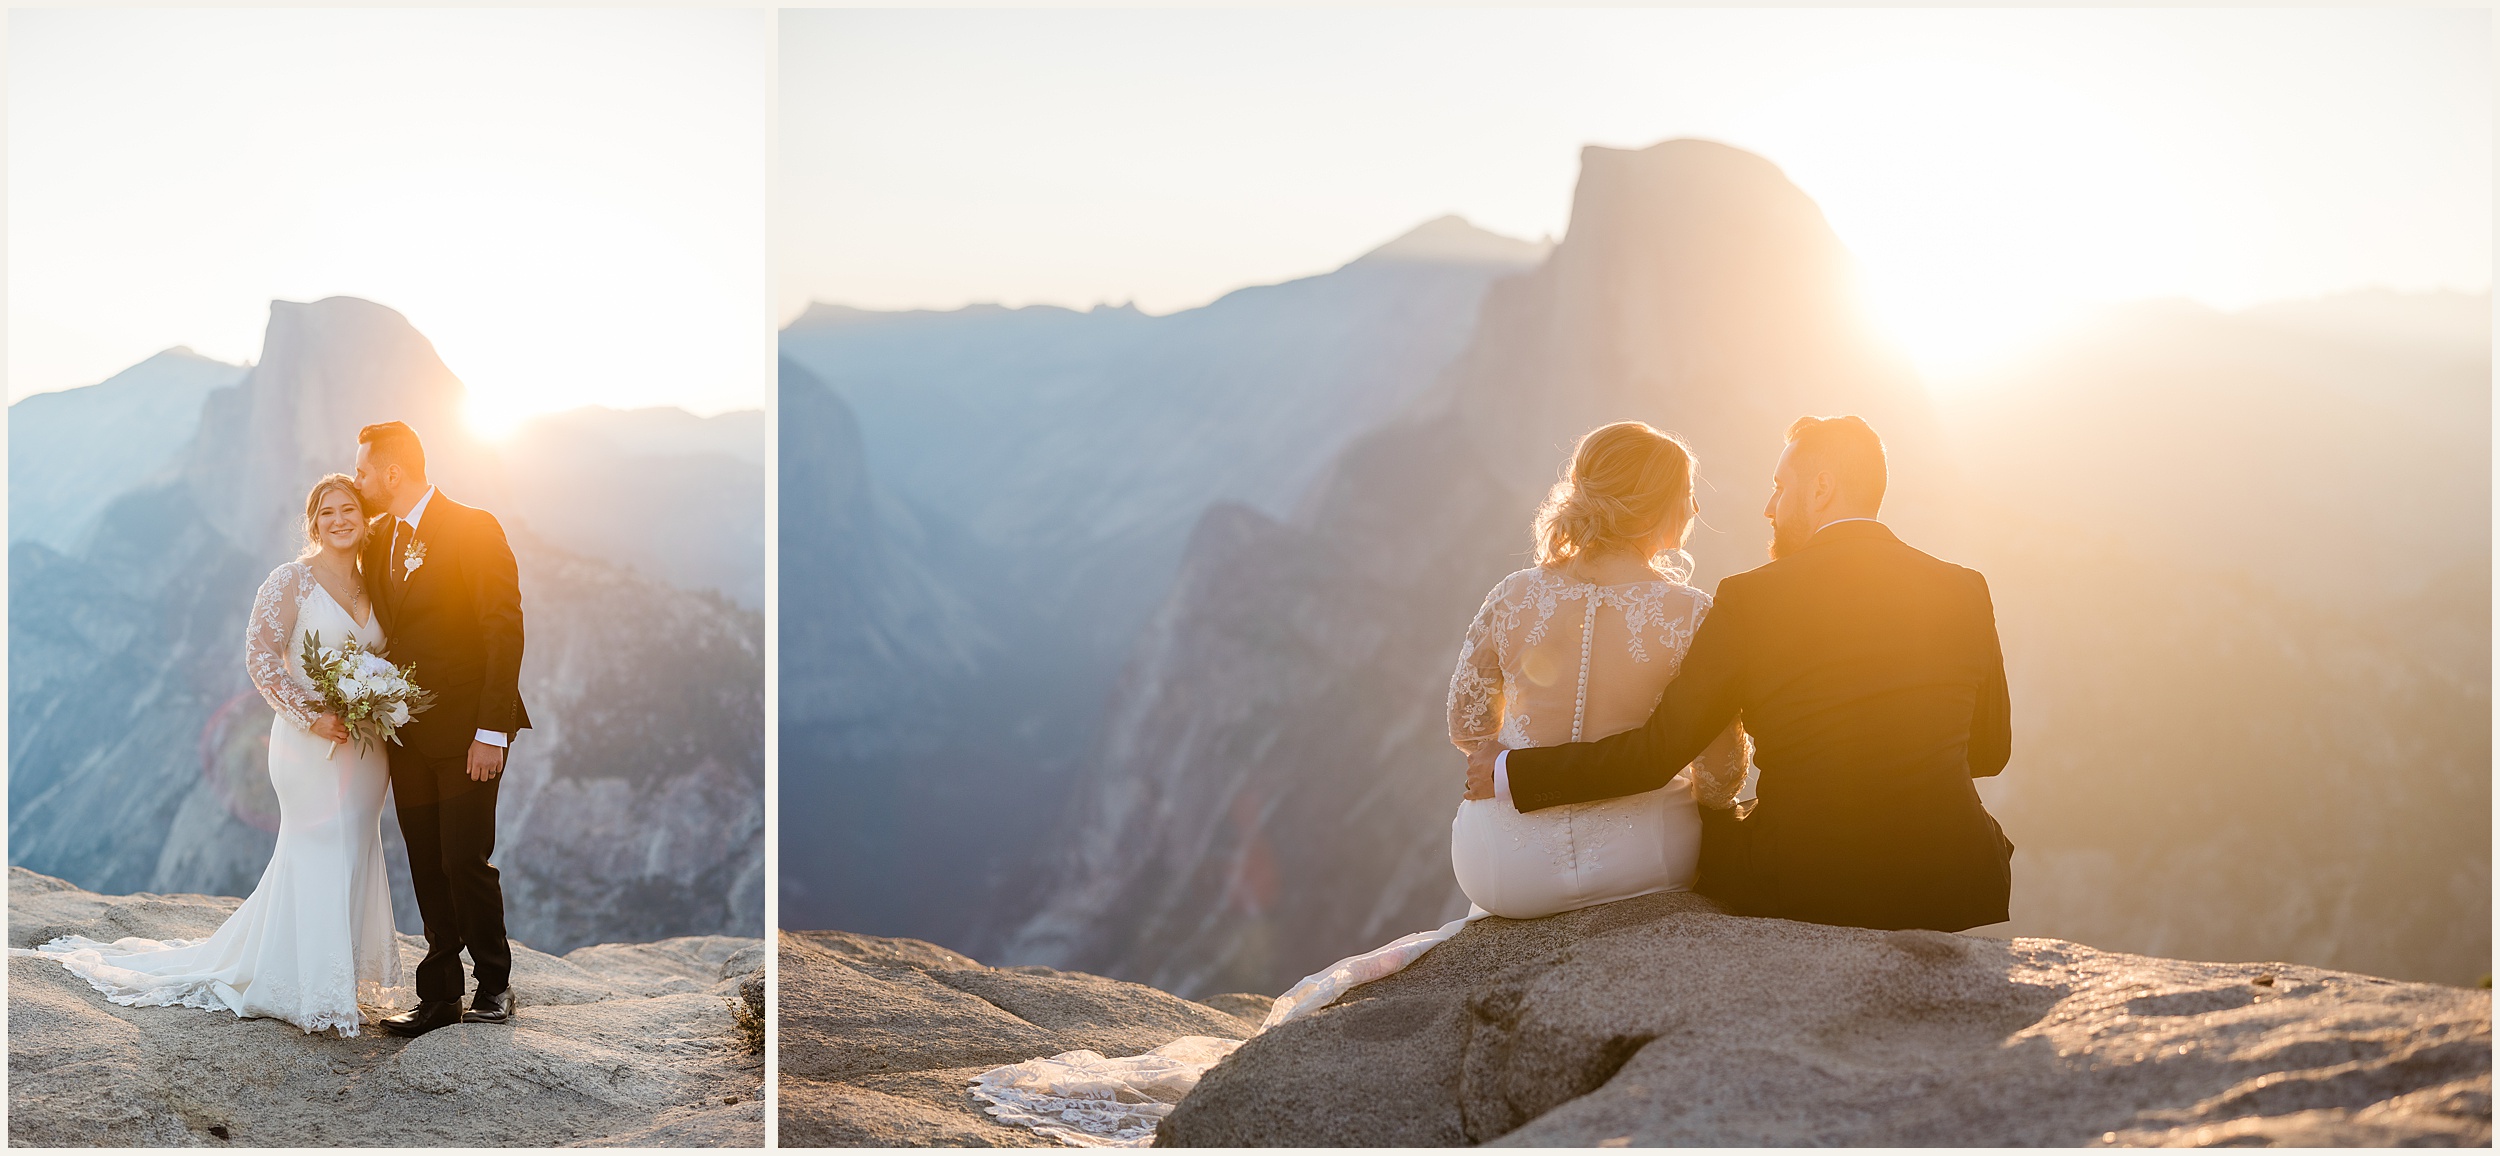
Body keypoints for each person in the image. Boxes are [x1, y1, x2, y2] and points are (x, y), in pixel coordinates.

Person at [1471, 414, 2015, 932]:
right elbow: (1991, 752)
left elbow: (1655, 754)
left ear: (1822, 488)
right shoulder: (1964, 589)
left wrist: (1510, 771)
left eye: (1780, 487)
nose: (1768, 508)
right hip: (1952, 876)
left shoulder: (1749, 600)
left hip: (1804, 881)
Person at [17, 476, 404, 1034]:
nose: (339, 519)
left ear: (365, 519)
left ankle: (339, 978)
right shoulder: (290, 581)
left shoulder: (377, 587)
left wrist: (379, 700)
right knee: (318, 845)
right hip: (308, 744)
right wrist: (311, 715)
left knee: (356, 848)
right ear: (312, 522)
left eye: (350, 509)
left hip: (366, 750)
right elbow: (261, 655)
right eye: (327, 511)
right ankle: (314, 990)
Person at [352, 420, 531, 1036]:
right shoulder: (380, 540)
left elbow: (503, 630)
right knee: (426, 860)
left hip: (466, 732)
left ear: (393, 473)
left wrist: (492, 731)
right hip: (406, 731)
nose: (359, 481)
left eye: (364, 471)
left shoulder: (473, 528)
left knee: (464, 858)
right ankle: (438, 998)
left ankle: (496, 984)